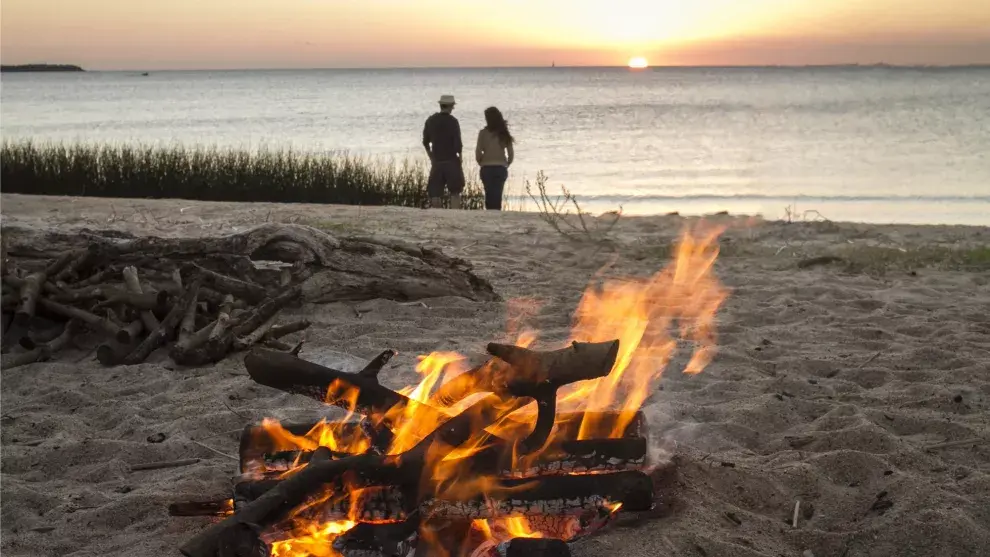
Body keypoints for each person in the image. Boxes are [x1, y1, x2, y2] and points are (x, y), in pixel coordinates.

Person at [422, 94, 465, 209]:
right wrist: (460, 159)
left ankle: (438, 214)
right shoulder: (453, 122)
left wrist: (431, 157)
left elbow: (425, 142)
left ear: (441, 105)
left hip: (437, 161)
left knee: (435, 192)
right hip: (451, 160)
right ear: (450, 106)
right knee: (455, 191)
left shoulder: (430, 120)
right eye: (453, 106)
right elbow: (458, 145)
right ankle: (454, 214)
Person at [474, 106, 514, 210]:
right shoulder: (503, 133)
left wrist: (481, 161)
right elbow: (511, 153)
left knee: (489, 194)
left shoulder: (483, 133)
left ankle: (490, 214)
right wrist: (507, 163)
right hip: (500, 167)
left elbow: (478, 151)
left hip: (486, 167)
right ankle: (496, 213)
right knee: (497, 194)